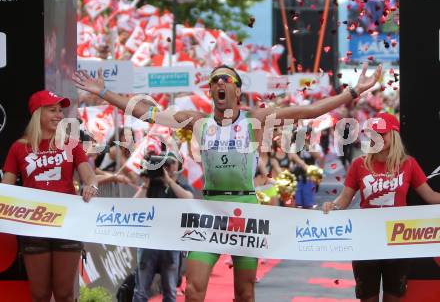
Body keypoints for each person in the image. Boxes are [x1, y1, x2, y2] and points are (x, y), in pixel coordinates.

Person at [73, 63, 381, 302]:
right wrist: (103, 92)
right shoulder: (197, 121)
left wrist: (354, 92)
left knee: (245, 293)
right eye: (215, 81)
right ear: (210, 92)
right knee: (193, 291)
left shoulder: (256, 119)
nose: (220, 84)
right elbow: (147, 113)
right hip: (209, 209)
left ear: (237, 91)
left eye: (226, 80)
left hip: (245, 208)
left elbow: (310, 110)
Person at [322, 112, 440, 302]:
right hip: (366, 241)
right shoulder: (359, 164)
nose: (376, 138)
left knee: (393, 298)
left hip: (398, 240)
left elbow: (431, 196)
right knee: (368, 299)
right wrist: (332, 206)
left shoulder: (408, 164)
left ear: (393, 134)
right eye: (372, 134)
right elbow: (343, 200)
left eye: (382, 134)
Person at [1, 90, 98, 302]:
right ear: (38, 114)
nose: (59, 115)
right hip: (33, 225)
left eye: (60, 111)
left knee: (64, 294)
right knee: (40, 295)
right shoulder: (19, 148)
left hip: (68, 224)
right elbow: (5, 189)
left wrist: (91, 186)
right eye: (52, 110)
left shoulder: (71, 144)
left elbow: (89, 176)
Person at [132, 154, 194, 302]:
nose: (168, 167)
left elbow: (188, 199)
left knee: (170, 292)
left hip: (170, 244)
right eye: (165, 164)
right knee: (140, 292)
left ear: (178, 166)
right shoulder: (151, 185)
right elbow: (133, 206)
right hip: (149, 243)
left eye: (171, 163)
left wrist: (169, 181)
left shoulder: (181, 186)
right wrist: (146, 183)